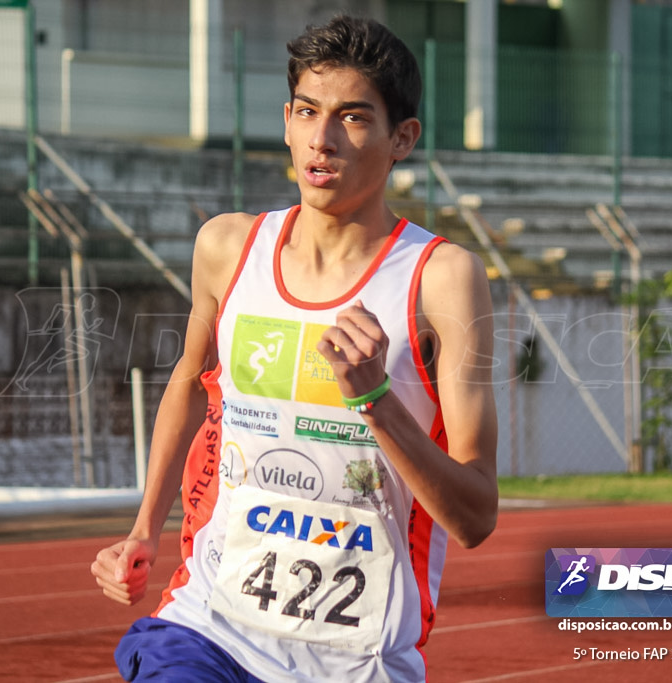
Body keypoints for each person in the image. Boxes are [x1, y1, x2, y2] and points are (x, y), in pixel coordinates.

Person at [91, 14, 498, 682]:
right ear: (285, 120)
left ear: (403, 137)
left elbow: (476, 515)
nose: (322, 137)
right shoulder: (228, 247)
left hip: (356, 659)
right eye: (307, 111)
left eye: (353, 117)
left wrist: (376, 401)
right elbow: (192, 386)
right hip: (209, 626)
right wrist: (143, 528)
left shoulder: (441, 279)